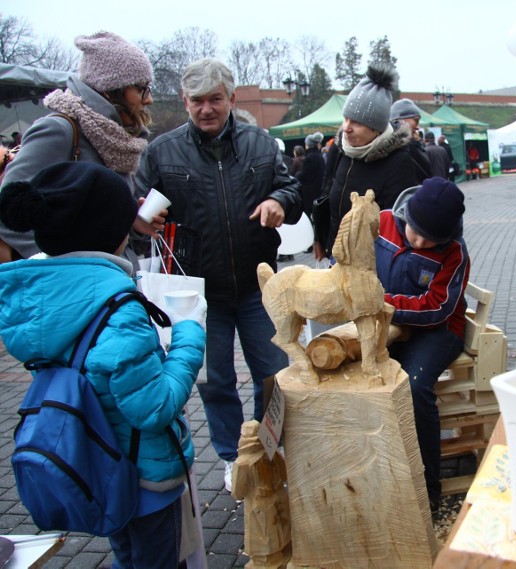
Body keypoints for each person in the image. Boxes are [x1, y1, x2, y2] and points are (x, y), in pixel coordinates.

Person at [0, 161, 206, 568]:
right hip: (144, 477)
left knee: (127, 555)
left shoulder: (38, 300)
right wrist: (188, 334)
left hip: (96, 467)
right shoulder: (118, 306)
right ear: (109, 232)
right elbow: (153, 407)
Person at [134, 58, 302, 493]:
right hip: (195, 291)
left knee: (274, 370)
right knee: (215, 379)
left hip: (256, 286)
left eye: (215, 99)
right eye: (197, 101)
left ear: (230, 98)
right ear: (185, 102)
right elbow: (136, 204)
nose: (206, 108)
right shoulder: (162, 151)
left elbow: (291, 190)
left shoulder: (260, 144)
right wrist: (142, 218)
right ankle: (232, 455)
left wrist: (280, 202)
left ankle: (272, 445)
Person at [0, 31, 163, 264]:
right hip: (72, 290)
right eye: (141, 88)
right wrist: (59, 263)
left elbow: (88, 224)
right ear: (110, 88)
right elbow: (8, 211)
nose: (148, 99)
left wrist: (129, 221)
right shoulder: (60, 130)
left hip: (110, 279)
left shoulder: (115, 138)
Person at [374, 177, 470, 515]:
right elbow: (352, 262)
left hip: (439, 330)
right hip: (386, 322)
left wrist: (383, 305)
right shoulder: (382, 221)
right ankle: (381, 469)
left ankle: (428, 486)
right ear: (406, 215)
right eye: (416, 231)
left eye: (432, 239)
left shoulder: (454, 252)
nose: (420, 242)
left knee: (414, 386)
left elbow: (439, 306)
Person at [312, 62, 419, 260]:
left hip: (370, 266)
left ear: (376, 128)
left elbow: (397, 228)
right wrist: (320, 238)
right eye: (346, 118)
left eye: (356, 122)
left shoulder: (398, 161)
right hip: (336, 256)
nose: (346, 128)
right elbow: (327, 194)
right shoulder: (341, 149)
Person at [390, 98, 430, 183]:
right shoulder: (407, 147)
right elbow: (426, 173)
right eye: (416, 120)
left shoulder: (405, 145)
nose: (418, 127)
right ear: (400, 119)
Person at [297, 132, 325, 220]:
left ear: (308, 145)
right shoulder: (319, 156)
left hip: (309, 192)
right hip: (319, 189)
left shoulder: (310, 157)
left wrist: (296, 175)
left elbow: (304, 175)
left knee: (309, 216)